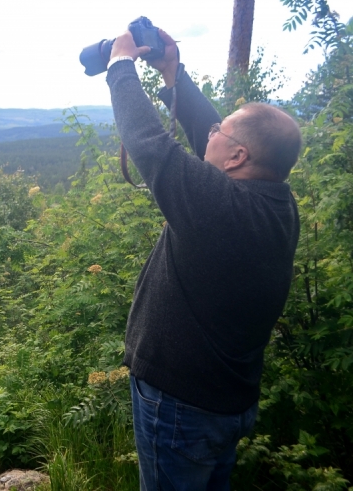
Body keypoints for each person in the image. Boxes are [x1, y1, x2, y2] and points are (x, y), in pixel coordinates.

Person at [103, 29, 302, 490]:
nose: (209, 131)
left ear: (237, 156)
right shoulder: (275, 203)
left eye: (219, 131)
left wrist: (120, 65)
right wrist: (173, 75)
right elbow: (216, 138)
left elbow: (151, 146)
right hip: (222, 403)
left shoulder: (222, 209)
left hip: (179, 408)